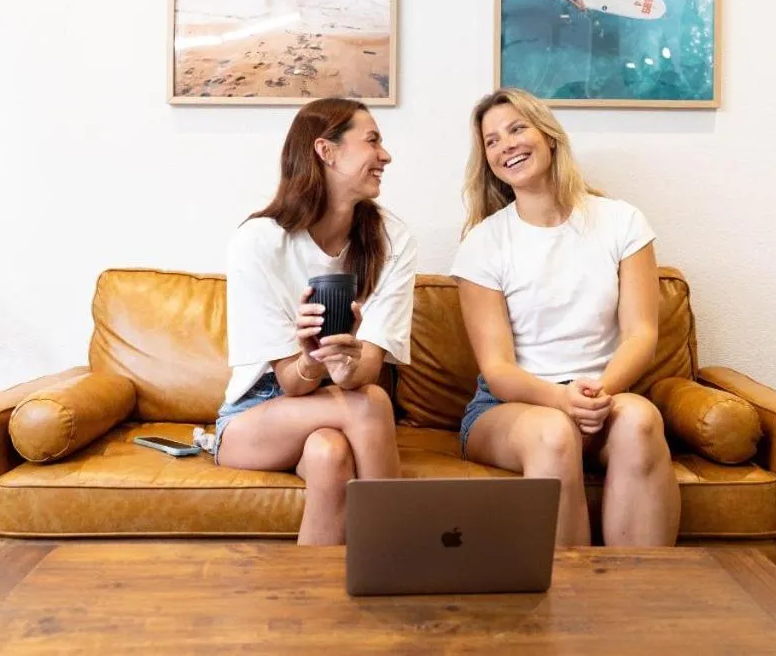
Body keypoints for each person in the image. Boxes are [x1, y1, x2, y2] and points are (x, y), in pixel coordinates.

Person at [451, 88, 681, 548]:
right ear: (488, 161)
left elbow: (641, 334)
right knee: (555, 432)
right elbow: (497, 369)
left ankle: (640, 585)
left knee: (640, 420)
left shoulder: (622, 221)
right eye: (492, 141)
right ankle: (571, 591)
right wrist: (562, 400)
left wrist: (598, 394)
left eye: (517, 129)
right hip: (512, 408)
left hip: (604, 394)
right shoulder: (483, 243)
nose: (506, 145)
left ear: (549, 136)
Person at [213, 98, 418, 545]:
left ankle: (312, 590)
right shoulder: (259, 242)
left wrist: (345, 366)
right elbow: (291, 382)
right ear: (326, 151)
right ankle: (399, 552)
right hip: (257, 414)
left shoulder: (392, 240)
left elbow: (367, 372)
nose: (385, 156)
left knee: (329, 453)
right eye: (372, 141)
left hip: (340, 399)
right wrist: (310, 360)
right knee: (370, 404)